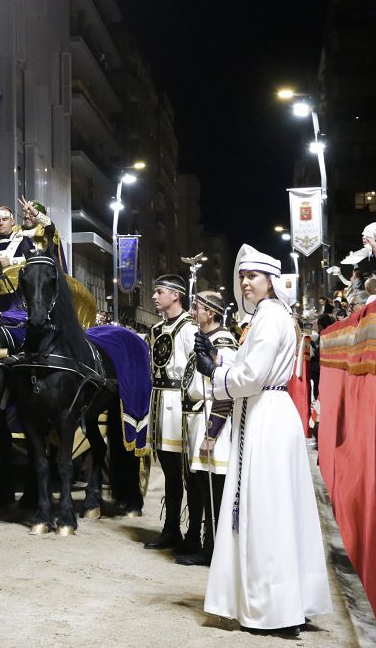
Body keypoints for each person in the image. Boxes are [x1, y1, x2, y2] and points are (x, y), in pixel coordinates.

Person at [194, 245, 331, 635]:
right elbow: (251, 367)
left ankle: (272, 608)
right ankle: (289, 601)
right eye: (242, 277)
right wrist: (221, 363)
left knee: (265, 510)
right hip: (269, 410)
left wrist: (215, 374)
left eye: (252, 276)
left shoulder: (269, 319)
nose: (245, 283)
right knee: (278, 509)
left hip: (265, 416)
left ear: (270, 280)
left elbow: (252, 376)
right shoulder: (271, 317)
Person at [177, 290, 237, 567]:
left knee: (213, 489)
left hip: (213, 422)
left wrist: (212, 434)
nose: (191, 312)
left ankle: (212, 548)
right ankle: (199, 541)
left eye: (196, 308)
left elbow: (226, 390)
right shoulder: (208, 339)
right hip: (197, 419)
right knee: (199, 485)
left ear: (210, 313)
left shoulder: (223, 342)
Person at [142, 274, 200, 550]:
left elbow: (196, 370)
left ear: (175, 295)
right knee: (169, 471)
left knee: (188, 473)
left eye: (159, 291)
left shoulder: (189, 328)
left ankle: (193, 533)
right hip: (160, 402)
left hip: (179, 404)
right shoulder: (157, 329)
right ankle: (171, 529)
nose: (154, 297)